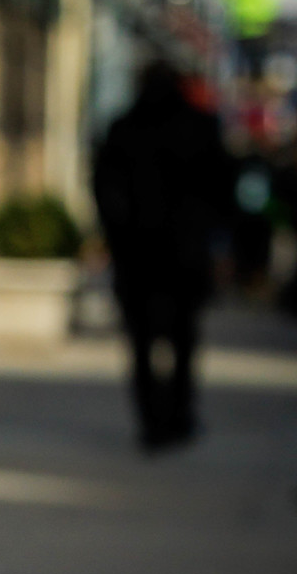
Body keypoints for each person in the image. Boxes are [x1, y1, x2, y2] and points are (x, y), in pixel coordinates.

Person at [93, 61, 234, 448]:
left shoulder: (124, 128)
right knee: (182, 342)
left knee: (142, 345)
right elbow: (222, 192)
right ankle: (178, 417)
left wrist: (117, 235)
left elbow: (104, 191)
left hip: (139, 255)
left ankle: (153, 421)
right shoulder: (200, 127)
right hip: (182, 257)